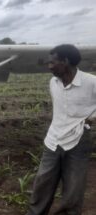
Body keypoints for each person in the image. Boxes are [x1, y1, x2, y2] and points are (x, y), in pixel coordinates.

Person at [27, 44, 95, 215]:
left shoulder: (91, 82)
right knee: (43, 182)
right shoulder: (53, 82)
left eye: (53, 62)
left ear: (66, 61)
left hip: (79, 140)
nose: (49, 66)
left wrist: (91, 118)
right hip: (53, 139)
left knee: (74, 186)